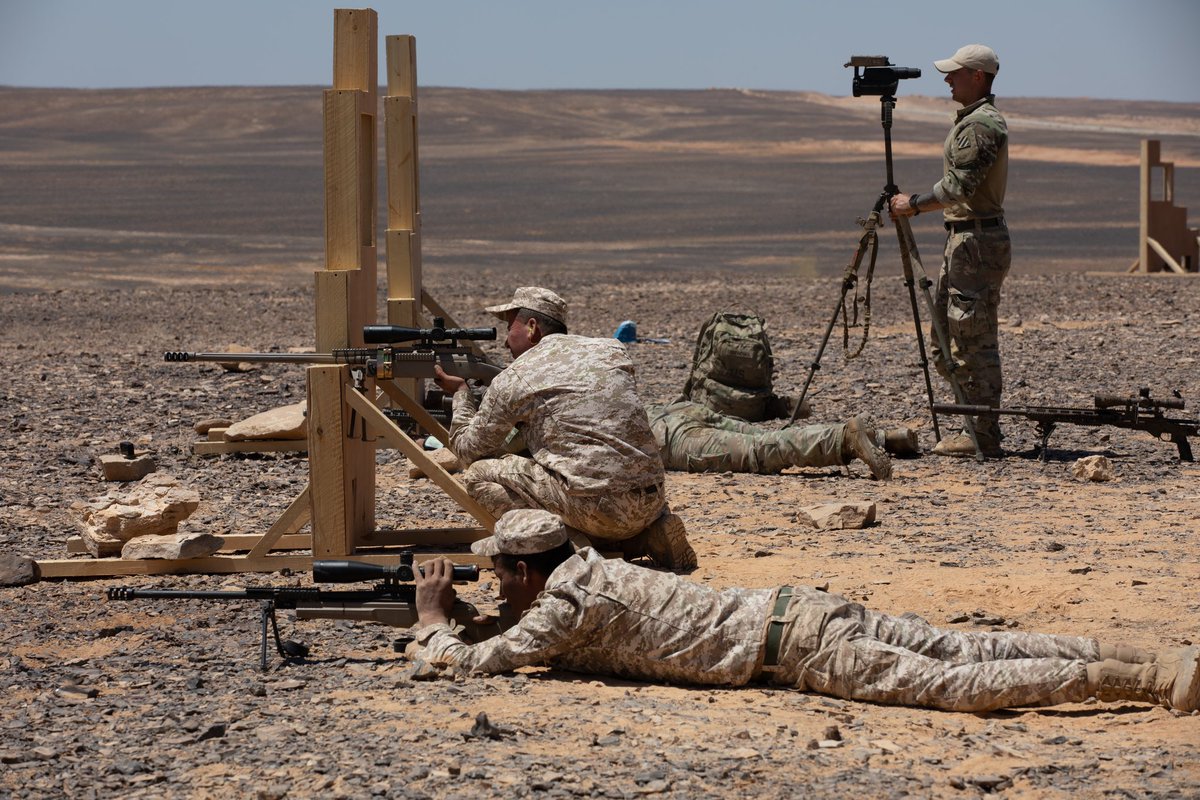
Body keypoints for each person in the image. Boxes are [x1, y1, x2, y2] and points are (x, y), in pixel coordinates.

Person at [410, 509, 1200, 714]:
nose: (499, 591)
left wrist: (432, 619)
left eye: (500, 577)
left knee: (960, 688)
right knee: (968, 651)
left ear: (523, 569)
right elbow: (531, 629)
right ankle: (1156, 662)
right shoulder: (588, 571)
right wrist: (486, 616)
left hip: (799, 652)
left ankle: (1132, 682)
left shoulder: (565, 606)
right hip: (799, 611)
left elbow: (469, 664)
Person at [433, 286, 696, 569]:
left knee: (478, 475)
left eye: (511, 327)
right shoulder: (611, 350)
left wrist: (461, 393)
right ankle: (645, 535)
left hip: (598, 507)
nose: (505, 343)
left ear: (532, 327)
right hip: (651, 501)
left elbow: (466, 449)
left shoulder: (516, 376)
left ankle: (574, 546)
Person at [889, 44, 1010, 458]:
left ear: (977, 76)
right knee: (947, 337)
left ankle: (984, 434)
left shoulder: (982, 125)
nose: (947, 80)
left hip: (976, 242)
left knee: (972, 337)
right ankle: (972, 424)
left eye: (955, 73)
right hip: (963, 238)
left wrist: (915, 203)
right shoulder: (971, 121)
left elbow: (962, 186)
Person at [645, 399, 897, 479]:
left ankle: (844, 439)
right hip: (677, 409)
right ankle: (885, 438)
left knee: (759, 452)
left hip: (668, 437)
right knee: (765, 438)